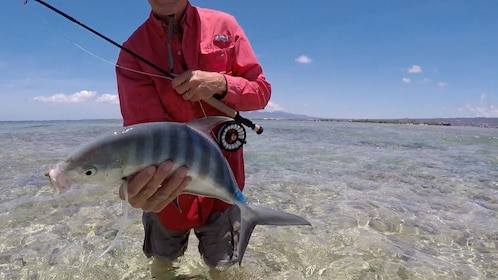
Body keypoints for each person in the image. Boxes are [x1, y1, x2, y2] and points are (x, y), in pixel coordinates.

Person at [115, 0, 271, 277]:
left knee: (222, 269)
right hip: (165, 194)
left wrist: (221, 84)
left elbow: (261, 92)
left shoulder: (226, 25)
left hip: (225, 187)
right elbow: (146, 134)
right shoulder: (132, 51)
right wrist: (134, 183)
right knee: (162, 263)